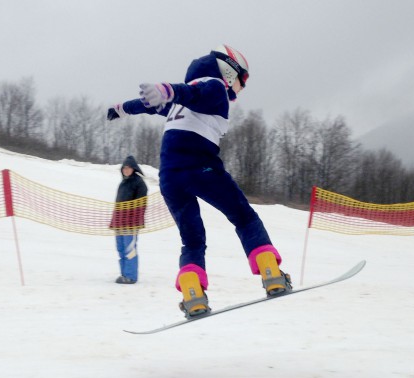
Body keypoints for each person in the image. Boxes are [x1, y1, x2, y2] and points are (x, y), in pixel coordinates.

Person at [106, 44, 292, 317]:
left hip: (170, 177)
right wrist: (168, 89)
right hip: (201, 168)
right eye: (242, 82)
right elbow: (194, 92)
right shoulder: (214, 87)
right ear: (229, 72)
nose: (240, 90)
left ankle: (193, 295)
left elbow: (149, 105)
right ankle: (271, 273)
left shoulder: (178, 102)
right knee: (244, 217)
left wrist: (122, 108)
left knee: (192, 240)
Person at [109, 155, 148, 284]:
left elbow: (141, 205)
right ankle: (124, 274)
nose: (126, 170)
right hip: (119, 222)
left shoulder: (139, 183)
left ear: (134, 169)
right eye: (124, 168)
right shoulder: (123, 183)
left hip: (131, 224)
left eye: (128, 168)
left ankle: (131, 276)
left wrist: (135, 221)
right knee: (120, 248)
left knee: (129, 250)